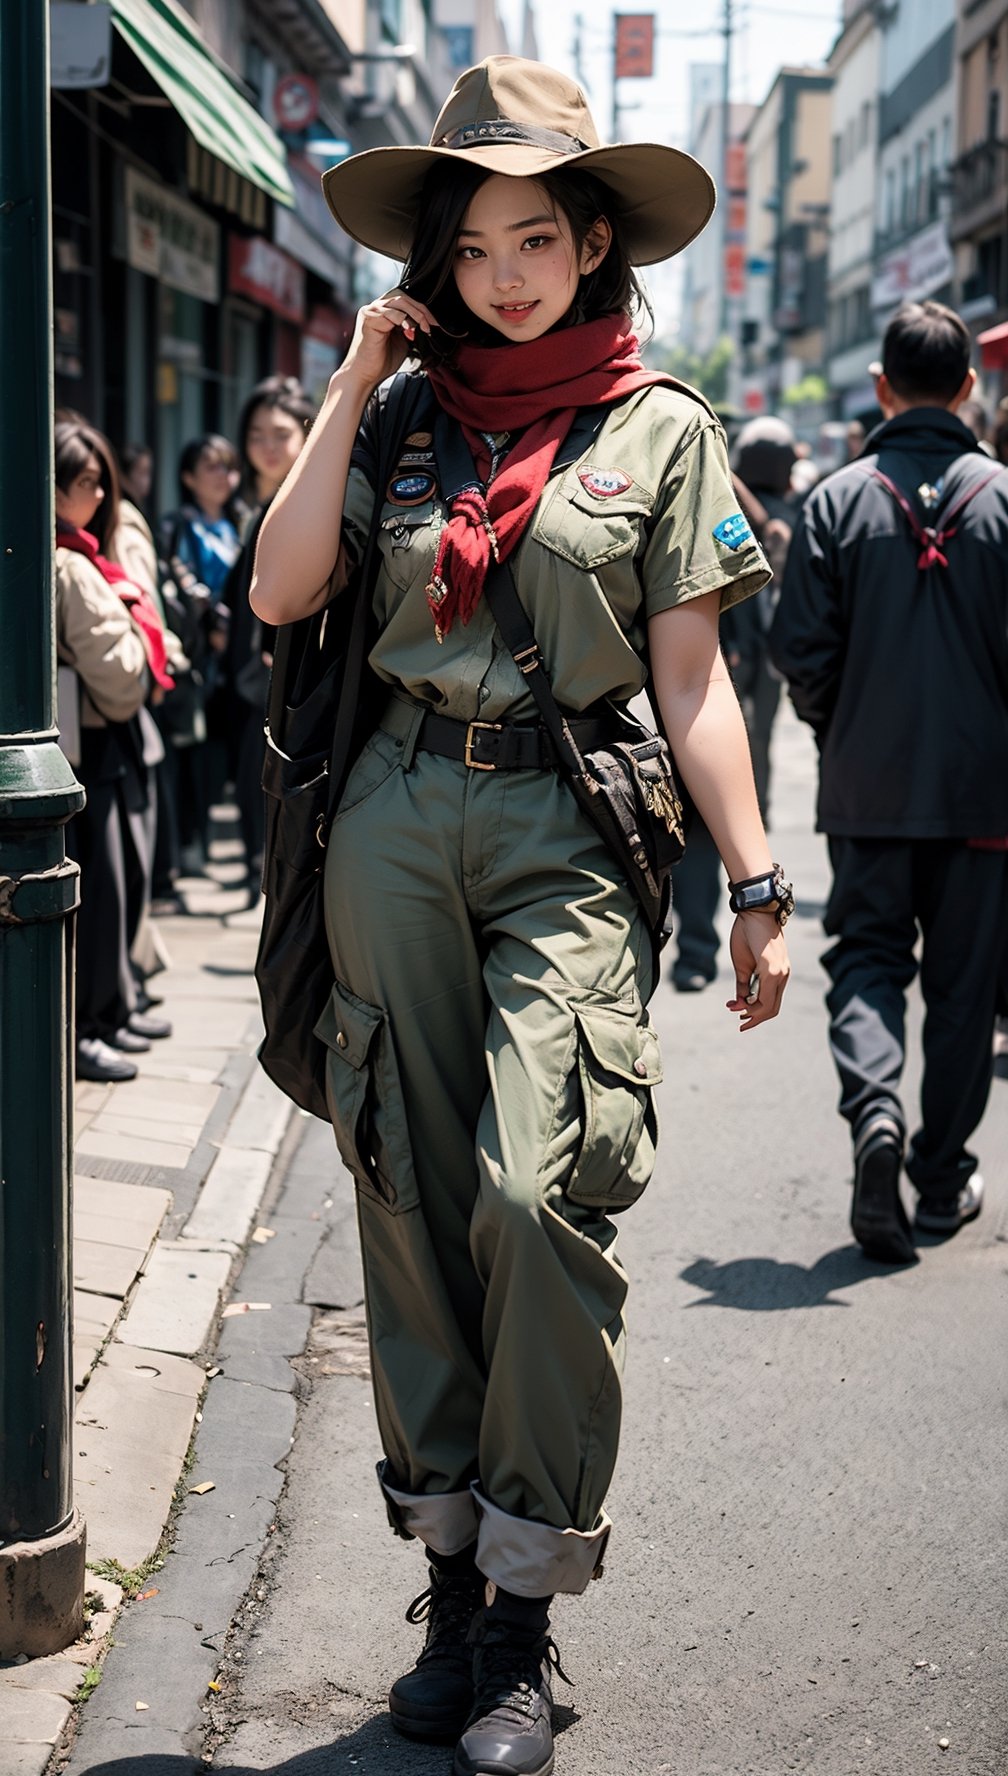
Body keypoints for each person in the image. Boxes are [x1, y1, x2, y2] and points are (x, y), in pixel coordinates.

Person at [251, 56, 791, 1776]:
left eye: (534, 236)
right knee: (405, 1188)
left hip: (566, 829)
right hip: (391, 817)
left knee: (531, 1191)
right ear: (436, 257)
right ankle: (455, 1595)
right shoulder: (401, 417)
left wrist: (760, 877)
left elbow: (694, 683)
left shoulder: (660, 426)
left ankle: (530, 1608)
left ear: (588, 246)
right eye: (474, 240)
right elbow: (281, 585)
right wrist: (347, 383)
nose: (504, 271)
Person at [770, 299, 1008, 1265]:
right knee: (963, 987)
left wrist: (846, 728)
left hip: (867, 789)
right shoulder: (1003, 497)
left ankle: (875, 1117)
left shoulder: (834, 500)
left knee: (867, 961)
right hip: (985, 799)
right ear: (968, 388)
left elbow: (799, 652)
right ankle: (942, 1178)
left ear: (879, 388)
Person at [55, 420, 174, 1082]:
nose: (97, 495)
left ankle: (109, 1012)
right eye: (82, 482)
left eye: (101, 481)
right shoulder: (71, 566)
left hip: (99, 739)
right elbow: (123, 679)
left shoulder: (83, 556)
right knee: (102, 891)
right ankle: (91, 1025)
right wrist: (135, 628)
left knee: (120, 883)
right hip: (92, 741)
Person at [670, 416, 797, 991]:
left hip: (707, 686)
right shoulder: (796, 515)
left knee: (700, 824)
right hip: (756, 697)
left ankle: (696, 950)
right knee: (747, 819)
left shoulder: (723, 506)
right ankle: (748, 921)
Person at [223, 377, 315, 887]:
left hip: (287, 680)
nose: (267, 445)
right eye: (257, 433)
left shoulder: (306, 498)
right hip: (249, 679)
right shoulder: (252, 504)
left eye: (280, 433)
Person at [159, 434, 243, 872]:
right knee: (196, 756)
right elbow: (179, 585)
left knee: (228, 756)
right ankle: (190, 845)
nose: (222, 475)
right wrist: (213, 627)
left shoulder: (240, 522)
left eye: (228, 465)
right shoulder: (177, 525)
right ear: (188, 476)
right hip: (198, 659)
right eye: (211, 466)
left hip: (236, 661)